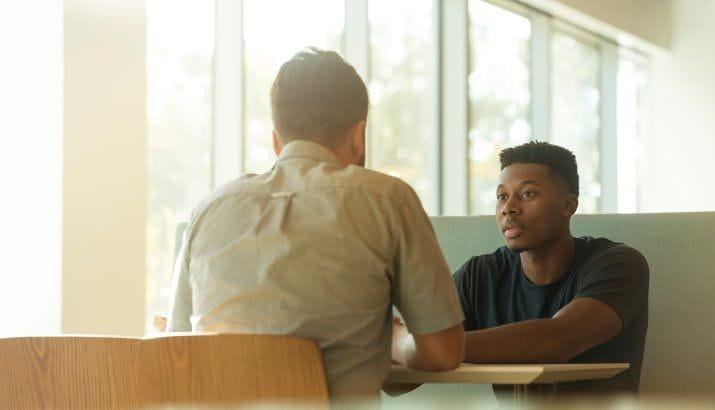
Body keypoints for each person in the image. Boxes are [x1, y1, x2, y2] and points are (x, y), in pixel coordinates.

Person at [166, 47, 464, 399]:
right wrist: (395, 340)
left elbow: (176, 349)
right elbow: (443, 352)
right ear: (359, 136)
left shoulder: (208, 209)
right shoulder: (387, 199)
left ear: (276, 140)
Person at [453, 141, 649, 394]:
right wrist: (402, 344)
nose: (508, 208)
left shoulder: (618, 264)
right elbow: (399, 382)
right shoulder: (479, 275)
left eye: (527, 194)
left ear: (568, 206)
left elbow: (556, 341)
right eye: (502, 196)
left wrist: (428, 347)